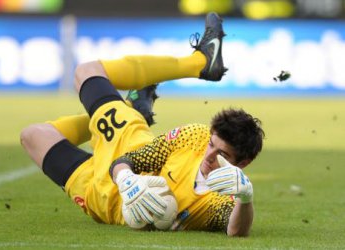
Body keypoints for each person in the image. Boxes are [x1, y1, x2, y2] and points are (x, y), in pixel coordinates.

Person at [20, 12, 264, 236]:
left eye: (222, 154)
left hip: (101, 199)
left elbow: (236, 231)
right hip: (125, 146)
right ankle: (200, 63)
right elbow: (129, 160)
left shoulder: (224, 197)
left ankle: (132, 108)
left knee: (32, 135)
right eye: (212, 144)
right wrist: (128, 181)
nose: (209, 155)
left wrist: (245, 197)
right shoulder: (195, 136)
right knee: (87, 71)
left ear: (242, 163)